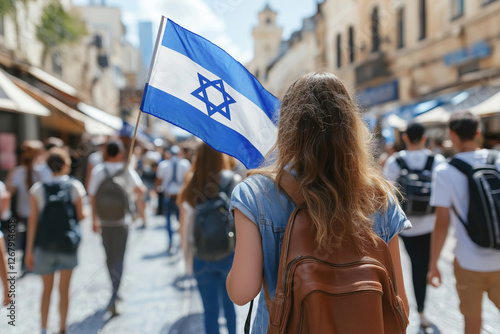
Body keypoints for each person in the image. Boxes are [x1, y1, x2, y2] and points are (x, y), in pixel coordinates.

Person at [226, 72, 411, 332]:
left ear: (287, 128)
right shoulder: (380, 196)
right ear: (351, 127)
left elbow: (241, 292)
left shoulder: (255, 194)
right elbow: (399, 302)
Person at [428, 111, 500, 334]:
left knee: (472, 321)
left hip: (468, 261)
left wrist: (433, 264)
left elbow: (442, 223)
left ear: (452, 135)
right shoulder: (497, 159)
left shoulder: (444, 171)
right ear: (478, 132)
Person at [383, 122, 446, 329]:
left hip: (405, 228)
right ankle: (421, 311)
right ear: (424, 138)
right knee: (421, 267)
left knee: (404, 265)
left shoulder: (394, 161)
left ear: (406, 138)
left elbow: (386, 195)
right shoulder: (436, 160)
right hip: (429, 225)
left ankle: (401, 305)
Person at [177, 142, 240, 334]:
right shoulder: (232, 180)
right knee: (229, 307)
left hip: (201, 254)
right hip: (228, 252)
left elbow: (183, 223)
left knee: (210, 311)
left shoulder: (191, 182)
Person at [24, 148, 86, 334]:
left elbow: (32, 222)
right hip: (68, 244)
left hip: (45, 245)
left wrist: (29, 251)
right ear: (66, 165)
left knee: (46, 290)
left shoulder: (37, 189)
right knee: (64, 289)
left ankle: (43, 328)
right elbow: (81, 215)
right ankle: (62, 327)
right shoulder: (75, 187)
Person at [88, 139, 146, 315]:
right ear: (119, 153)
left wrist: (93, 219)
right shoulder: (126, 169)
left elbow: (92, 196)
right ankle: (115, 292)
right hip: (122, 221)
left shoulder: (99, 170)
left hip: (105, 221)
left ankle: (113, 288)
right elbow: (141, 190)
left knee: (109, 256)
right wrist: (132, 200)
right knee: (120, 257)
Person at [5, 140, 48, 274]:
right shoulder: (42, 170)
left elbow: (8, 190)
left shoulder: (18, 172)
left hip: (24, 212)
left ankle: (27, 263)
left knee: (25, 240)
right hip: (38, 212)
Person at [155, 145, 191, 253]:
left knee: (168, 221)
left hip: (169, 196)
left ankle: (171, 242)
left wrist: (158, 189)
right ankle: (181, 243)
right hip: (180, 197)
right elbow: (188, 180)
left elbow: (158, 181)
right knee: (181, 221)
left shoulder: (164, 165)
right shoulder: (185, 164)